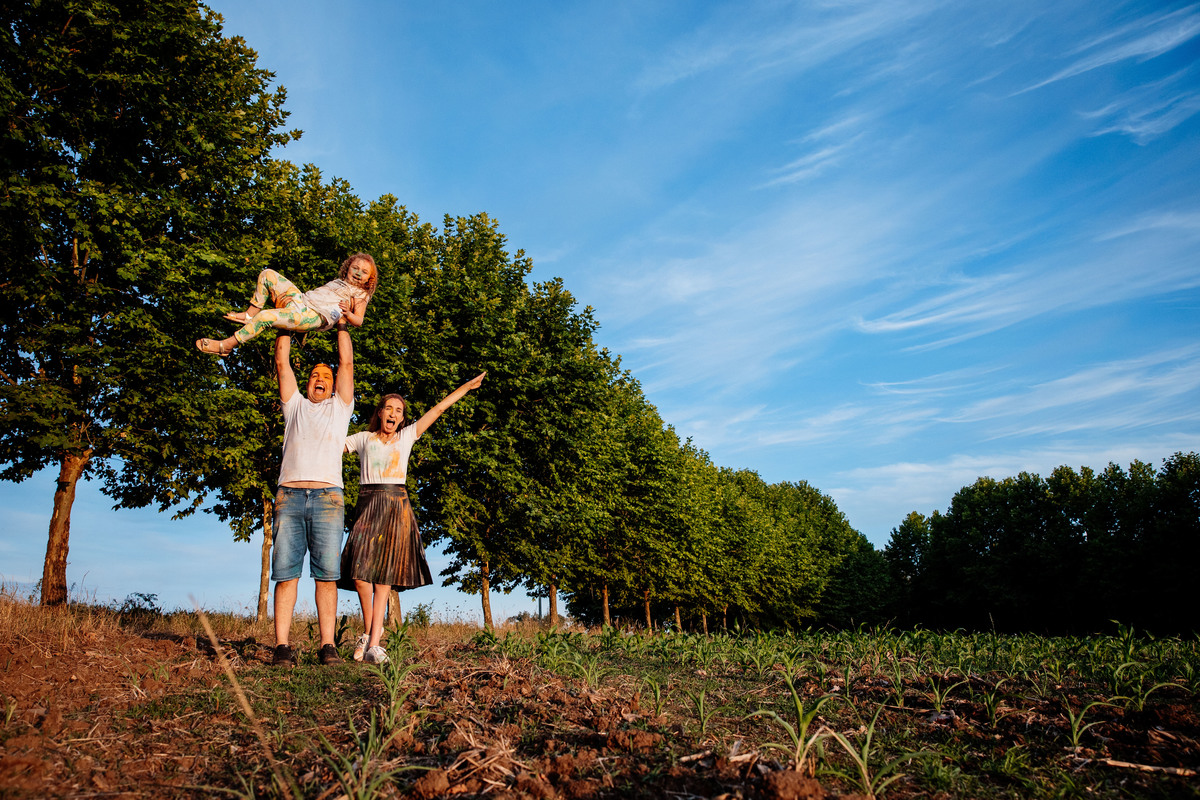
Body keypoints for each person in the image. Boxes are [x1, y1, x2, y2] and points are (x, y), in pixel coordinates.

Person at [340, 371, 487, 665]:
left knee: (383, 580)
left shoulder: (407, 436)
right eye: (388, 408)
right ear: (379, 413)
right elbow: (329, 446)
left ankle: (374, 645)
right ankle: (371, 633)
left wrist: (467, 387)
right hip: (368, 504)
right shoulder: (362, 439)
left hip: (396, 505)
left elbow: (439, 409)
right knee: (359, 576)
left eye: (399, 411)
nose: (393, 414)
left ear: (402, 418)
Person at [269, 322, 356, 667]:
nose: (319, 378)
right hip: (289, 497)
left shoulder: (340, 409)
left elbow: (346, 363)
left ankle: (328, 646)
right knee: (285, 573)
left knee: (327, 575)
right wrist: (288, 320)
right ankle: (281, 647)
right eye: (314, 375)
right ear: (307, 383)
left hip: (328, 500)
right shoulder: (294, 406)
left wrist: (342, 326)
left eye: (326, 375)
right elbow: (281, 362)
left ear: (334, 386)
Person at [196, 253, 378, 356]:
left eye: (364, 272)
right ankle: (250, 314)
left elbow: (359, 320)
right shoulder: (338, 281)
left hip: (314, 316)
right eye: (355, 268)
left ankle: (226, 345)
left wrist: (348, 313)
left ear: (368, 279)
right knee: (267, 274)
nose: (358, 273)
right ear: (347, 267)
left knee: (266, 317)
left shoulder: (361, 294)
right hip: (301, 300)